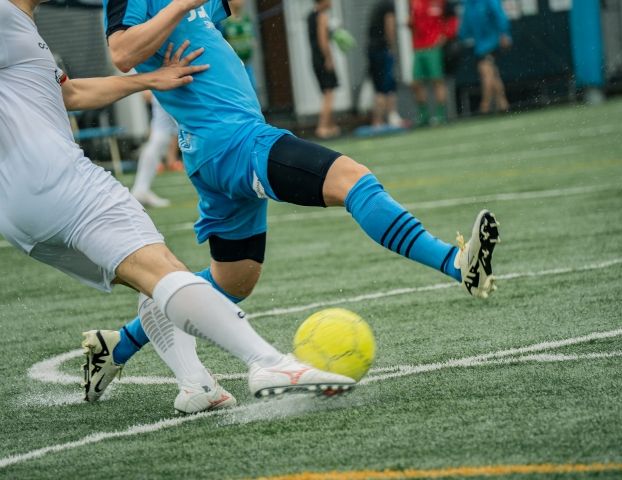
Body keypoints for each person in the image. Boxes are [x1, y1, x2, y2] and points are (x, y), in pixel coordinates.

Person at [90, 0, 501, 410]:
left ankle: (116, 346)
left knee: (234, 282)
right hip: (235, 141)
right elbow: (123, 52)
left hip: (219, 149)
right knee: (352, 180)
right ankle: (455, 263)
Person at [0, 0, 355, 415]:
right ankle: (268, 363)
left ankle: (194, 384)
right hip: (57, 179)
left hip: (17, 210)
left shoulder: (21, 25)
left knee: (149, 278)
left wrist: (149, 80)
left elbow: (71, 94)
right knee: (165, 271)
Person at [409, 0, 458, 125]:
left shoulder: (441, 2)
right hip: (418, 48)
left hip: (433, 48)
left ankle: (440, 115)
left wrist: (445, 35)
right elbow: (414, 21)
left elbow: (452, 20)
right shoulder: (414, 2)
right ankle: (424, 115)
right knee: (416, 83)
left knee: (437, 80)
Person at [458, 0, 511, 114]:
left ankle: (485, 106)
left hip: (494, 41)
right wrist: (461, 36)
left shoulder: (490, 1)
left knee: (485, 71)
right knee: (493, 74)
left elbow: (499, 15)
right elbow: (466, 24)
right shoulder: (468, 3)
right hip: (480, 45)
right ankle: (503, 104)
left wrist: (504, 33)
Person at [130, 93, 178, 207]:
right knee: (159, 139)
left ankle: (141, 189)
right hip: (172, 88)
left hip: (171, 88)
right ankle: (141, 190)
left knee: (160, 139)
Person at [367, 0, 405, 129]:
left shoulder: (378, 5)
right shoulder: (388, 5)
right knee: (387, 85)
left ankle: (378, 120)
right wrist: (392, 46)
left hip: (372, 49)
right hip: (382, 49)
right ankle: (390, 117)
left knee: (379, 87)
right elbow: (389, 25)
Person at [308, 0, 340, 139]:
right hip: (322, 58)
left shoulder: (310, 15)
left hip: (314, 57)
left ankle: (330, 126)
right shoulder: (322, 16)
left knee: (327, 92)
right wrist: (328, 58)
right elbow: (322, 39)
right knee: (329, 93)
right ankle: (322, 127)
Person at [219, 0, 257, 91]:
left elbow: (253, 38)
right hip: (232, 69)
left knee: (252, 91)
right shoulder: (223, 22)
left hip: (247, 65)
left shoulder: (247, 18)